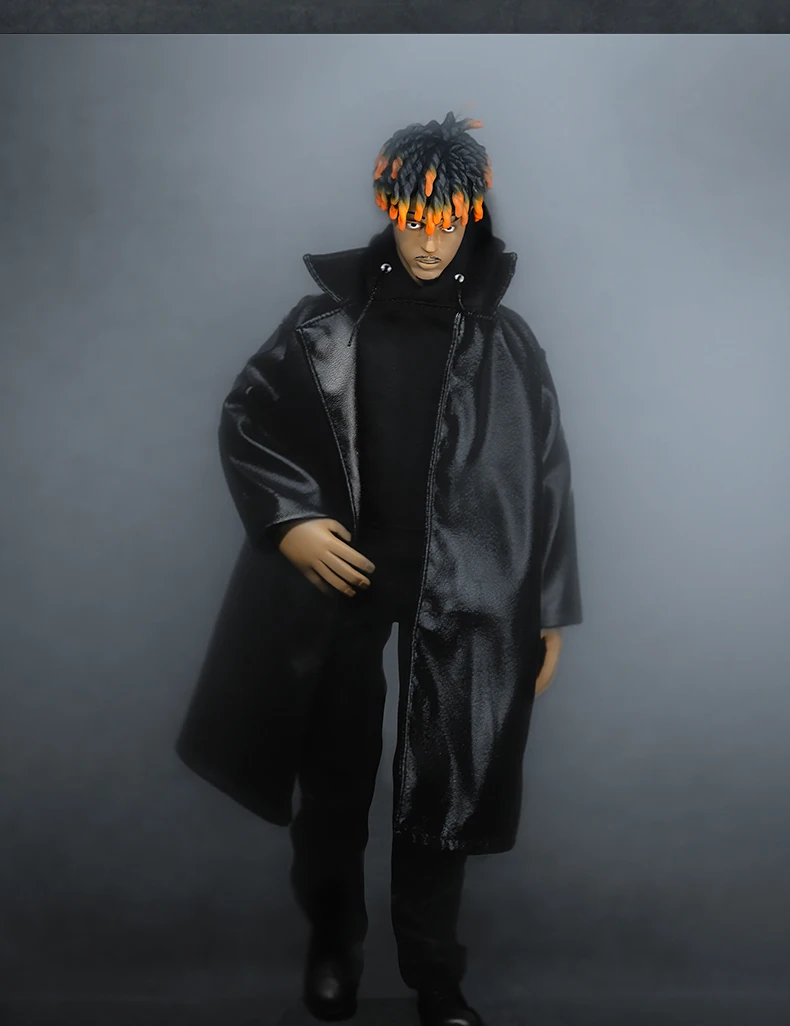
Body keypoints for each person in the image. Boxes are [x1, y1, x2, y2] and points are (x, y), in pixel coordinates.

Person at [176, 111, 582, 1026]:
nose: (430, 242)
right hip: (341, 584)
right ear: (386, 205)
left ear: (473, 212)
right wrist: (290, 521)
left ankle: (434, 972)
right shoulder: (324, 323)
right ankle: (335, 943)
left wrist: (550, 607)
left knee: (448, 781)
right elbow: (247, 417)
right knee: (333, 772)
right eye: (412, 219)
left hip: (469, 586)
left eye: (448, 221)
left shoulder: (508, 342)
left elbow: (547, 473)